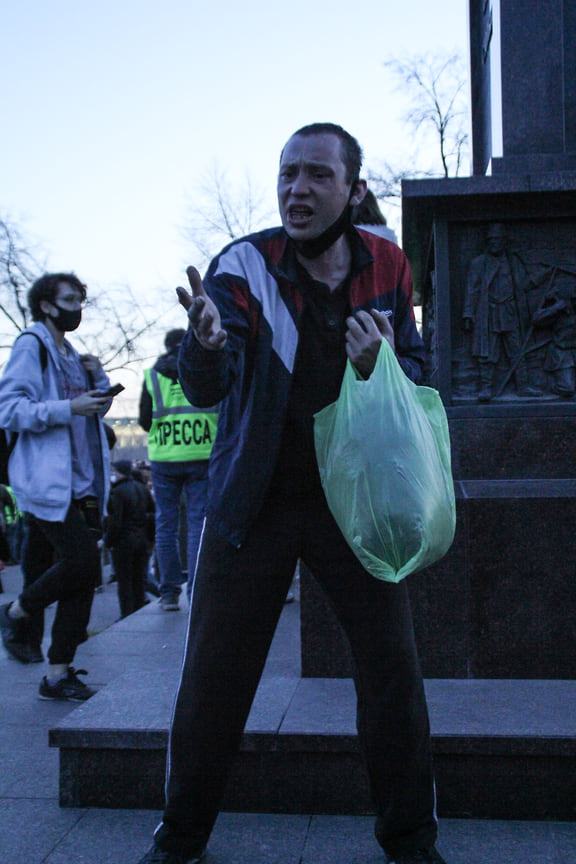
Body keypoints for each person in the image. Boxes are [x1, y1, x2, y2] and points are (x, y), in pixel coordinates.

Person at [137, 123, 447, 864]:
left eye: (315, 175)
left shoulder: (389, 265)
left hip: (358, 504)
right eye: (286, 175)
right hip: (255, 502)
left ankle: (411, 842)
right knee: (213, 678)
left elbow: (415, 368)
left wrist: (383, 365)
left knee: (392, 675)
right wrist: (203, 345)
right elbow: (209, 383)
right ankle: (180, 839)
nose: (296, 190)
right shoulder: (243, 264)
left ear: (352, 188)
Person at [0, 272, 111, 701]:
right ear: (46, 305)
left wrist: (97, 380)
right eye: (70, 300)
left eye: (82, 301)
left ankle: (58, 673)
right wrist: (69, 406)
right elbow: (10, 409)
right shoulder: (33, 344)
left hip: (79, 481)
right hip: (48, 480)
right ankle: (16, 610)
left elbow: (87, 411)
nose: (77, 309)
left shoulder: (70, 353)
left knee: (84, 577)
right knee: (82, 562)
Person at [139, 329, 217, 610]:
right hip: (203, 454)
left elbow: (145, 421)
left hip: (164, 457)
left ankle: (169, 592)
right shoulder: (202, 368)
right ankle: (196, 591)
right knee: (198, 524)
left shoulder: (152, 375)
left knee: (165, 524)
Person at [462, 222, 541, 402]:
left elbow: (524, 285)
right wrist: (468, 313)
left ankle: (523, 386)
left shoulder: (513, 262)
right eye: (491, 240)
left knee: (517, 349)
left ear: (504, 241)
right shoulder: (479, 263)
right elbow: (471, 290)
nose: (494, 243)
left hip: (510, 311)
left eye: (498, 240)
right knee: (487, 351)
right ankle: (486, 388)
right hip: (488, 312)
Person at [105, 459, 155, 619]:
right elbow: (152, 515)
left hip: (124, 542)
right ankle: (138, 611)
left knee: (125, 582)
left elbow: (115, 522)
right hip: (142, 540)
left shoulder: (118, 492)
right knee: (139, 579)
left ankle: (127, 614)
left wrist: (108, 542)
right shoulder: (141, 488)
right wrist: (150, 539)